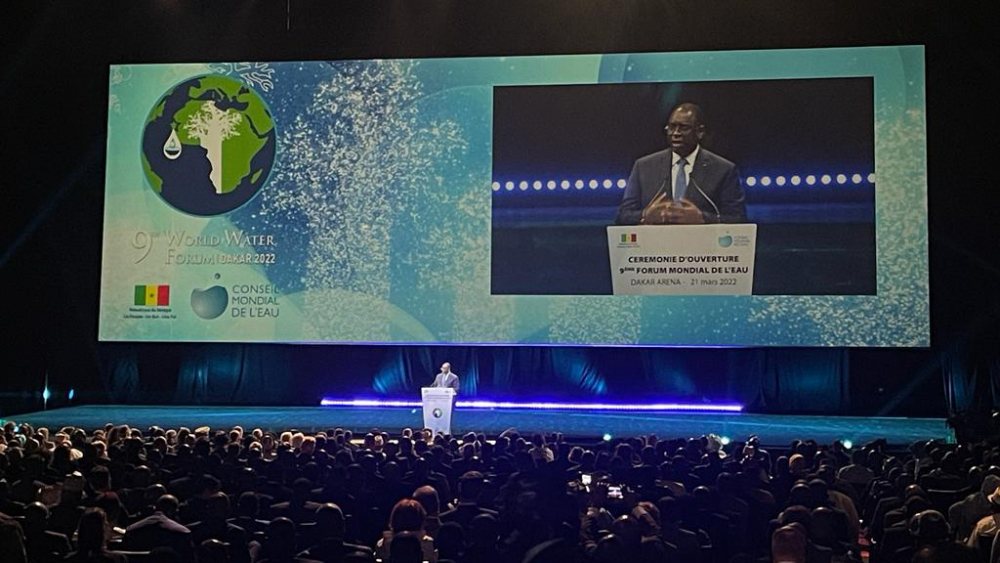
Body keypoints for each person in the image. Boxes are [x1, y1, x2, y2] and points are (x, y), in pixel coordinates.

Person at [615, 102, 747, 226]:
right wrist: (645, 215)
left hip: (701, 247)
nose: (675, 133)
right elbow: (623, 216)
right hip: (656, 247)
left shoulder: (723, 169)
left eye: (683, 128)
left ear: (700, 132)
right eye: (671, 127)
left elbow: (738, 219)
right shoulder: (643, 167)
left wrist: (702, 218)